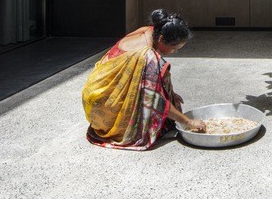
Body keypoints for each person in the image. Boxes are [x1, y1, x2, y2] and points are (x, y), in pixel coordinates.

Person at [81, 8, 206, 149]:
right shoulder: (147, 56)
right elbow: (154, 99)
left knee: (163, 82)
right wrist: (188, 122)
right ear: (161, 39)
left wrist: (171, 93)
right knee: (157, 112)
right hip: (105, 108)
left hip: (93, 95)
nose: (175, 52)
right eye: (174, 48)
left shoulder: (148, 30)